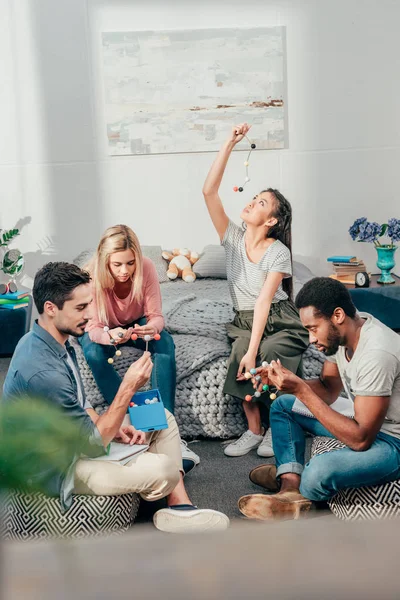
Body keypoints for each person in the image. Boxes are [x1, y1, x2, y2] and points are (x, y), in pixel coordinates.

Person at [2, 262, 229, 533]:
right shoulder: (43, 369)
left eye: (90, 304)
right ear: (51, 308)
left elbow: (80, 407)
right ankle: (162, 485)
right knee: (166, 468)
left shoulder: (51, 341)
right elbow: (93, 442)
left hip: (71, 441)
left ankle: (179, 507)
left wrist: (117, 428)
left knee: (162, 417)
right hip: (58, 468)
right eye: (80, 308)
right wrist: (128, 386)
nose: (90, 315)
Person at [238, 277, 400, 521]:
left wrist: (302, 389)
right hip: (366, 419)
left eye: (313, 328)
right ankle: (290, 485)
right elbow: (328, 389)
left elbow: (360, 440)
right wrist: (288, 383)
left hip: (393, 441)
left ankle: (300, 483)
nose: (311, 339)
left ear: (337, 316)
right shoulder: (343, 335)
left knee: (319, 472)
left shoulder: (376, 352)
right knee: (283, 406)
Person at [202, 123, 308, 458]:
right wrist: (228, 145)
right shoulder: (232, 237)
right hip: (245, 319)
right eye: (253, 198)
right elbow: (209, 192)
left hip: (278, 318)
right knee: (239, 358)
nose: (251, 203)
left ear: (272, 221)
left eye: (260, 202)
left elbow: (264, 301)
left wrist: (254, 349)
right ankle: (253, 429)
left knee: (269, 354)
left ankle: (276, 427)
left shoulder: (278, 251)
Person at [78, 224, 199, 468]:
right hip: (102, 329)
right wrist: (109, 336)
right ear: (105, 262)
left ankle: (165, 432)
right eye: (117, 265)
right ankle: (131, 418)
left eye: (130, 263)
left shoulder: (147, 267)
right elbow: (93, 329)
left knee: (163, 341)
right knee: (92, 352)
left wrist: (152, 328)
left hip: (135, 323)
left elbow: (155, 315)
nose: (125, 271)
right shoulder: (92, 277)